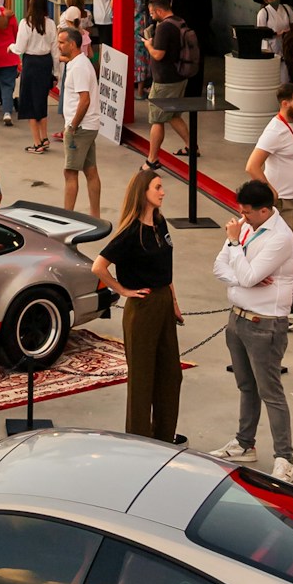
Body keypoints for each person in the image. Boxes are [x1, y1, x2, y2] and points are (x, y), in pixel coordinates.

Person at [211, 178, 293, 481]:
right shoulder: (246, 225)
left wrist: (236, 245)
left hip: (265, 324)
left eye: (247, 212)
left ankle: (284, 458)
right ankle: (244, 443)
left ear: (265, 211)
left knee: (270, 392)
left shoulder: (280, 238)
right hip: (237, 319)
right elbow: (219, 267)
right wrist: (240, 274)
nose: (241, 217)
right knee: (246, 386)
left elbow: (248, 275)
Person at [93, 166, 183, 445]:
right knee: (142, 380)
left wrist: (174, 302)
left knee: (171, 374)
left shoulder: (160, 223)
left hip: (163, 302)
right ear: (142, 193)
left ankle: (164, 438)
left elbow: (166, 268)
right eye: (157, 187)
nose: (163, 192)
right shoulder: (131, 232)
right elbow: (99, 266)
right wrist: (122, 290)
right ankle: (139, 442)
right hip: (142, 307)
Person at [246, 84, 293, 323]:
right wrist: (271, 191)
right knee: (282, 256)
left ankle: (289, 303)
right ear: (285, 103)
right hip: (284, 203)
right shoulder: (275, 130)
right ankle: (276, 308)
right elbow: (252, 166)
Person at [58, 23, 101, 219]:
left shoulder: (79, 67)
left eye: (62, 42)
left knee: (70, 173)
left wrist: (73, 126)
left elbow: (84, 100)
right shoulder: (77, 62)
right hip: (86, 126)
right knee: (90, 170)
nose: (59, 46)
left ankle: (67, 218)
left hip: (80, 128)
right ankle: (95, 215)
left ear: (73, 45)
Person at [141, 0, 191, 165]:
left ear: (160, 11)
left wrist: (148, 45)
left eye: (152, 13)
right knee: (172, 115)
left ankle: (152, 159)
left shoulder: (164, 27)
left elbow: (158, 54)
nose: (151, 16)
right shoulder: (180, 21)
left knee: (157, 119)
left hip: (165, 80)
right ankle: (192, 146)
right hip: (180, 76)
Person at [13, 0, 57, 153]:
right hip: (45, 63)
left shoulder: (26, 23)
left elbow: (20, 48)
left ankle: (37, 142)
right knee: (41, 102)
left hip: (31, 63)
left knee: (30, 103)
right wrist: (56, 73)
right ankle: (45, 137)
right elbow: (55, 51)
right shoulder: (51, 24)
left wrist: (10, 48)